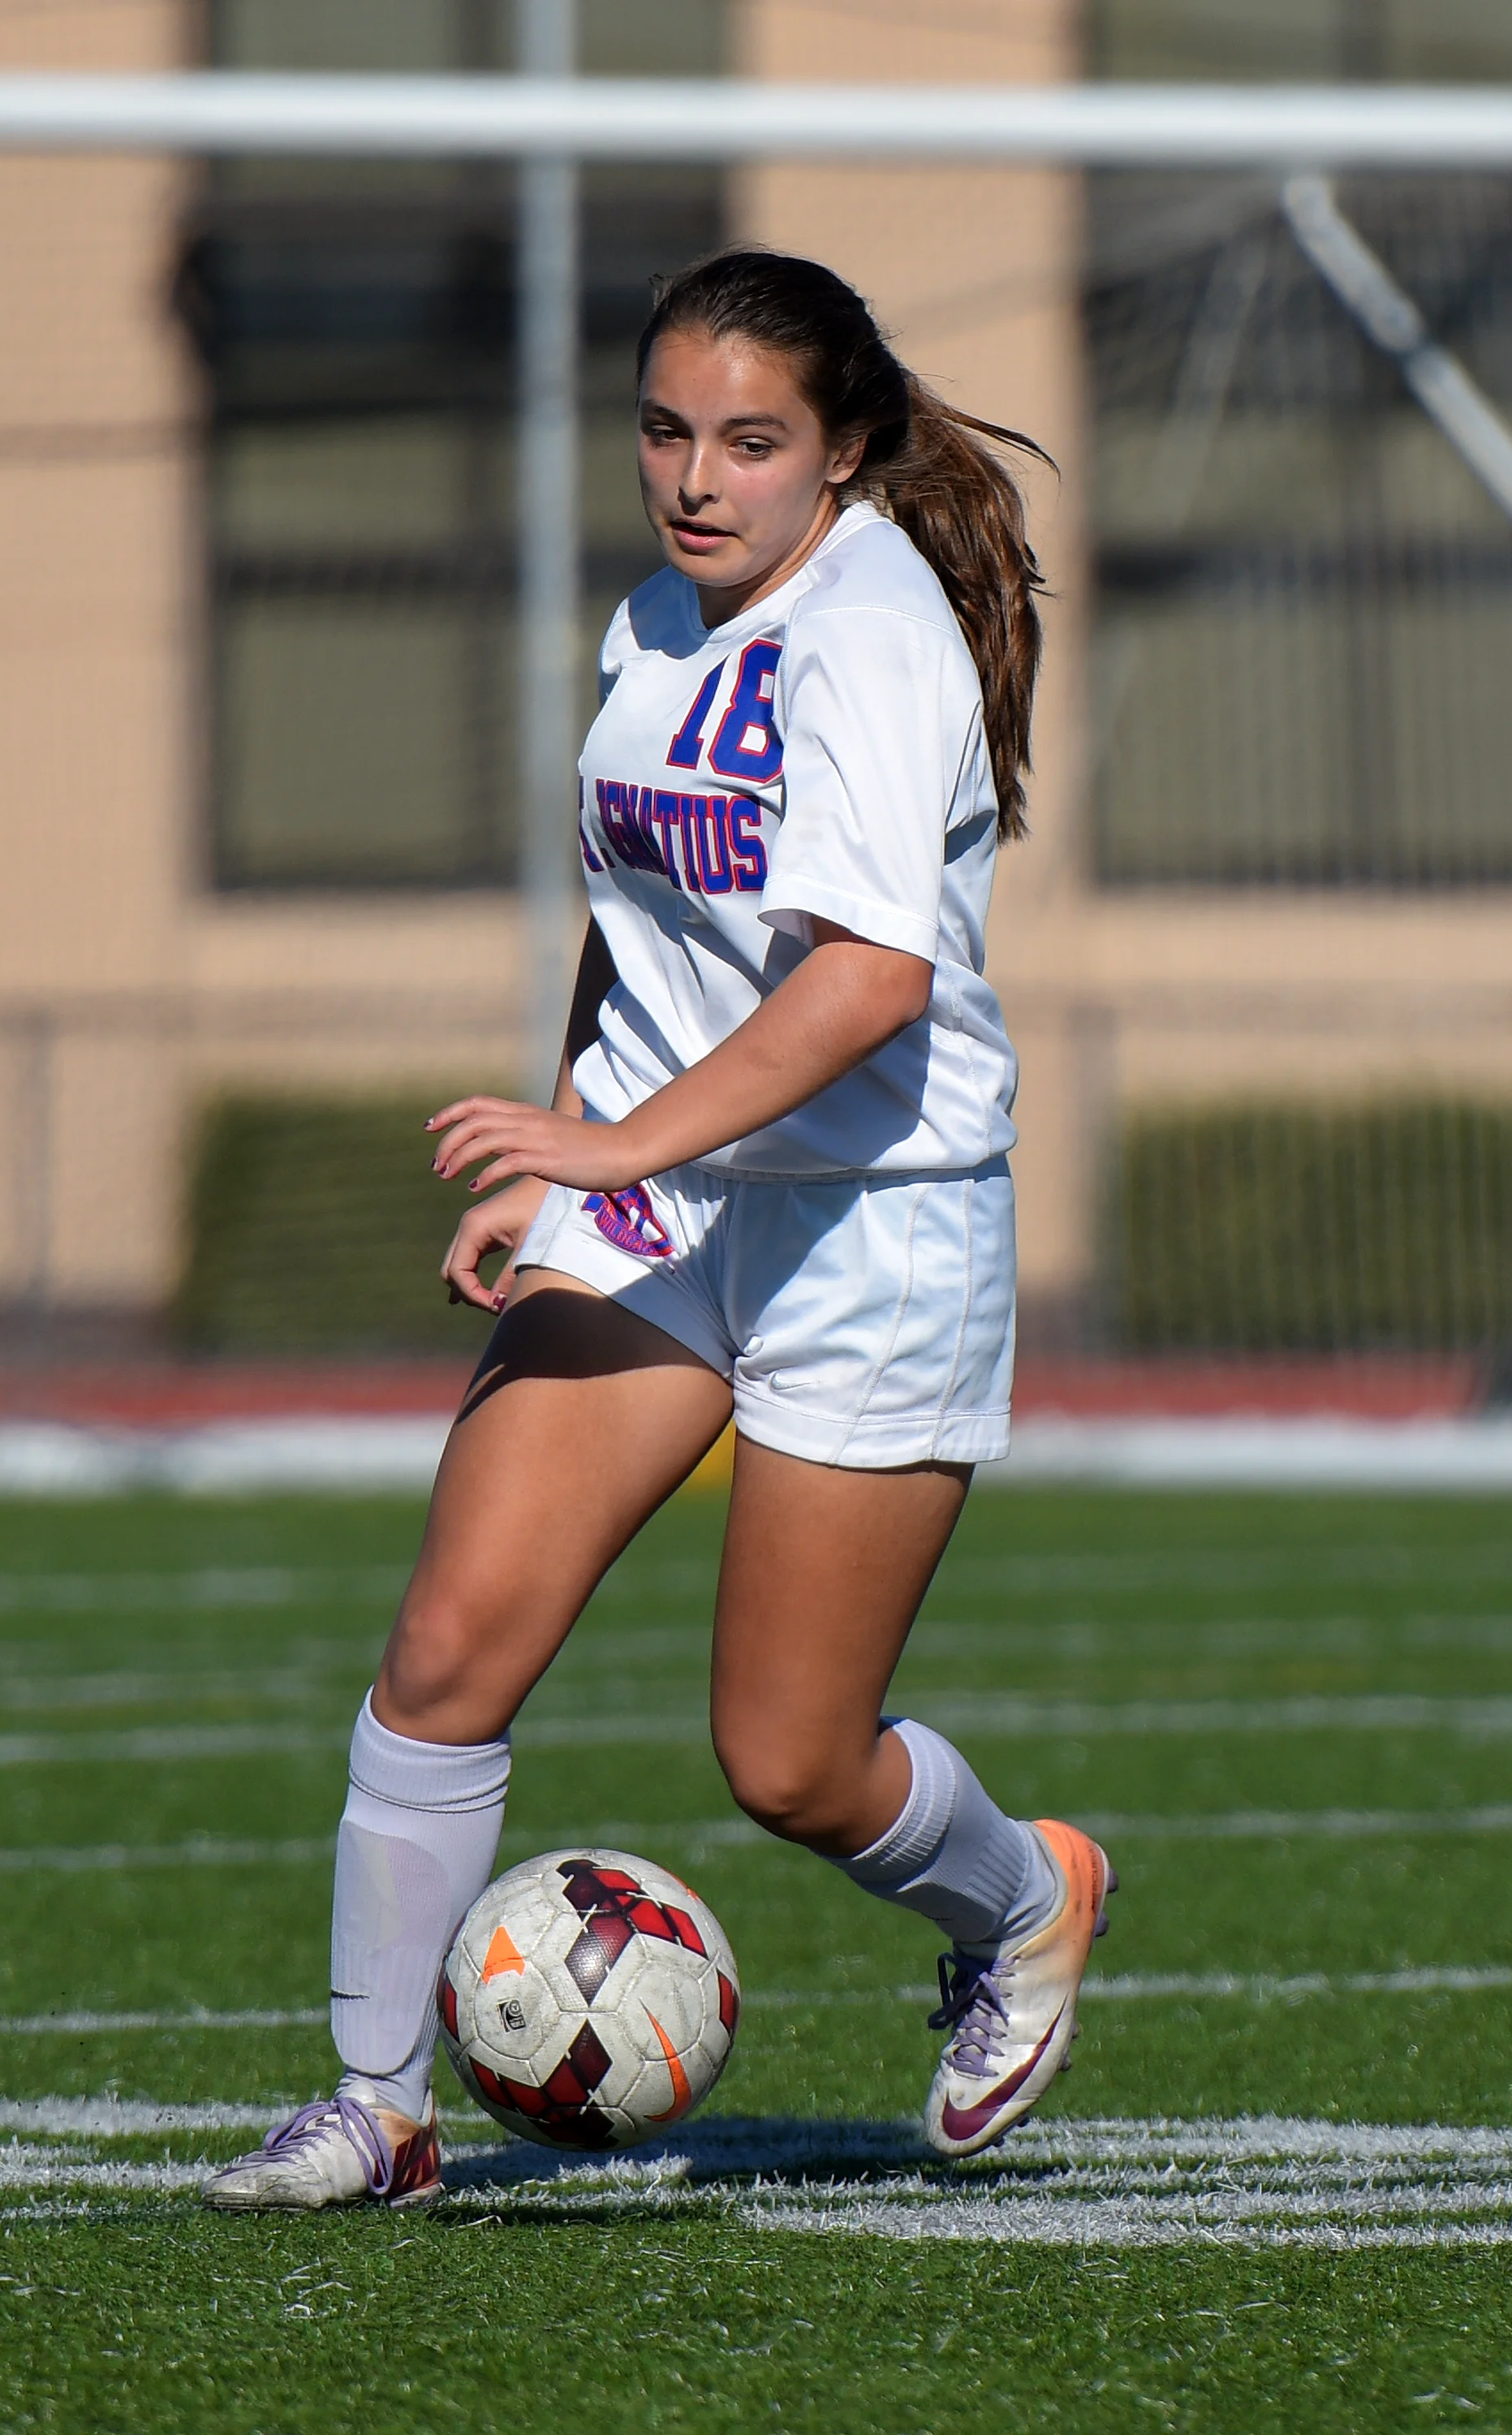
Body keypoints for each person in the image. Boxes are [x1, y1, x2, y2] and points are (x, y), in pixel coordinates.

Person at [204, 249, 1113, 2213]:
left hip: (873, 1224)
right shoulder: (650, 617)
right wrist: (570, 1159)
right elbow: (637, 931)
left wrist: (598, 1132)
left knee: (786, 1759)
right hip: (667, 1199)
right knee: (448, 1638)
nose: (696, 477)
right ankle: (378, 2103)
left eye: (751, 440)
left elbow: (859, 986)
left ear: (844, 447)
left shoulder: (871, 639)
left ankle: (1030, 1892)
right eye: (665, 431)